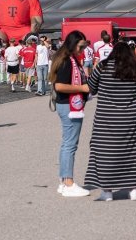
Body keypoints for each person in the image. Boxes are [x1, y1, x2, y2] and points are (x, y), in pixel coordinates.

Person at [85, 41, 136, 201]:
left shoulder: (102, 67)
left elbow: (91, 87)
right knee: (131, 150)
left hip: (106, 116)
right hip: (130, 116)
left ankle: (107, 192)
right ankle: (133, 189)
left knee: (105, 150)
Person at [50, 30, 90, 197]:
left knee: (67, 143)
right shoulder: (67, 61)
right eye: (81, 46)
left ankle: (64, 180)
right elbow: (59, 85)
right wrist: (82, 88)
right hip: (69, 106)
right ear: (73, 45)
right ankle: (68, 183)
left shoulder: (67, 58)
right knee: (70, 145)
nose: (83, 50)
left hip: (66, 105)